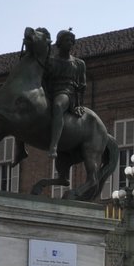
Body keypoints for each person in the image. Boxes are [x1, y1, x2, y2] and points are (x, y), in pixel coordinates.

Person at [45, 29, 88, 165]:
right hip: (50, 91)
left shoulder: (78, 64)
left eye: (71, 41)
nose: (70, 43)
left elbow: (81, 86)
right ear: (59, 43)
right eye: (66, 40)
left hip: (66, 93)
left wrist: (79, 105)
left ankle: (54, 145)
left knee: (58, 106)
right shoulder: (50, 61)